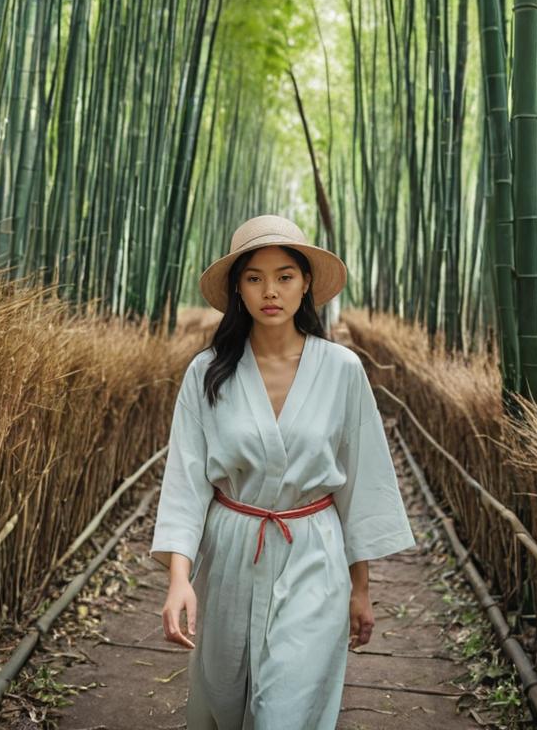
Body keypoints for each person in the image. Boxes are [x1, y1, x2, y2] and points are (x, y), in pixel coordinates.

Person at [149, 214, 415, 729]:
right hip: (231, 549)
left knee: (282, 710)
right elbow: (185, 482)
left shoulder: (342, 369)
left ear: (306, 283)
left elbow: (361, 485)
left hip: (313, 550)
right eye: (254, 277)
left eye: (285, 275)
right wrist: (179, 580)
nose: (270, 290)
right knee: (228, 699)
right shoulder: (207, 374)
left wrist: (361, 589)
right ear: (237, 289)